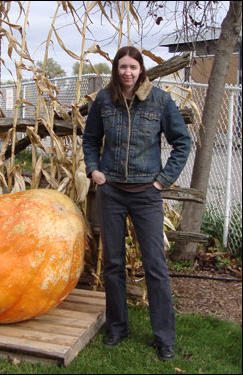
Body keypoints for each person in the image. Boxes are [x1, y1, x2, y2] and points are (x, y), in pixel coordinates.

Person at [82, 46, 191, 361]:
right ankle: (117, 327)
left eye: (133, 67)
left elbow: (182, 142)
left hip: (146, 194)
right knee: (113, 263)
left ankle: (164, 337)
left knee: (155, 266)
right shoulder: (104, 100)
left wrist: (162, 181)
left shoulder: (160, 101)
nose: (127, 73)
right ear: (116, 70)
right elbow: (90, 140)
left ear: (141, 69)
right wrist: (94, 170)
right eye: (122, 67)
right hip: (112, 190)